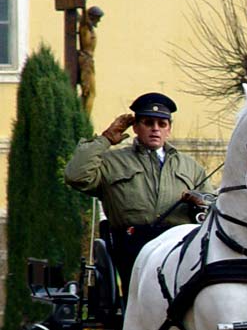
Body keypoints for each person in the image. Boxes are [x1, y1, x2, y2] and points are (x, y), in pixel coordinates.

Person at [65, 92, 214, 296]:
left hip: (180, 245)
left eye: (162, 124)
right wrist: (106, 139)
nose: (155, 129)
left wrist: (200, 201)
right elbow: (75, 175)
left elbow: (212, 206)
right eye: (148, 122)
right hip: (132, 245)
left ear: (169, 129)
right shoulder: (112, 162)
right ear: (135, 127)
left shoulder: (190, 167)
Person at [77, 5, 103, 116]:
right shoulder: (85, 27)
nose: (99, 20)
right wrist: (83, 4)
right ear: (92, 17)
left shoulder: (89, 28)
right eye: (98, 17)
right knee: (89, 92)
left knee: (91, 93)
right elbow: (83, 18)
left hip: (89, 60)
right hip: (85, 60)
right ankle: (84, 117)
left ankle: (84, 116)